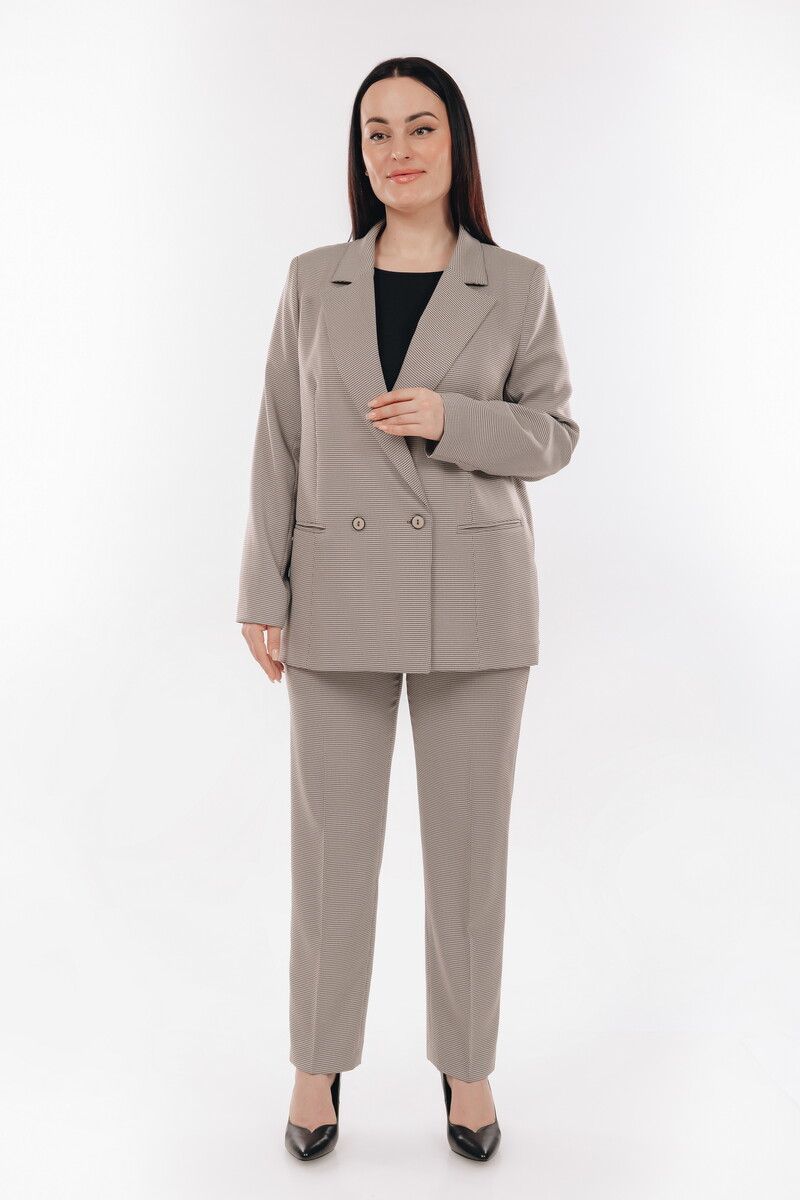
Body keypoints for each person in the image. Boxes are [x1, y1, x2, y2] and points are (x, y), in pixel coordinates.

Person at [237, 56, 579, 1162]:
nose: (397, 150)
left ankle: (466, 1069)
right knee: (330, 850)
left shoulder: (515, 284)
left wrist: (452, 417)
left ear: (455, 143)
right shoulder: (313, 279)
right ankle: (316, 1063)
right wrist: (261, 588)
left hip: (475, 599)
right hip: (336, 592)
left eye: (419, 127)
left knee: (469, 854)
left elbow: (555, 435)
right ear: (359, 152)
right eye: (376, 131)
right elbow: (279, 436)